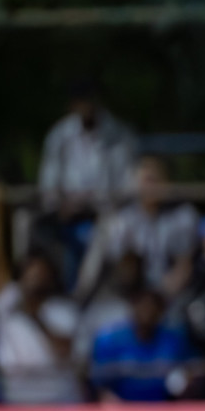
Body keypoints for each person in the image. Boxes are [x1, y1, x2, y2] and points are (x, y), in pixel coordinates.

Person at [36, 79, 138, 282]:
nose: (87, 106)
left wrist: (100, 203)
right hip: (67, 213)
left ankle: (82, 294)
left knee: (108, 233)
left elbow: (129, 185)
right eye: (81, 101)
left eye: (91, 100)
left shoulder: (121, 135)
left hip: (108, 212)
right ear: (72, 105)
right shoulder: (59, 136)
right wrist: (59, 204)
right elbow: (48, 183)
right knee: (33, 227)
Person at [92, 155, 199, 300]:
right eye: (144, 181)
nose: (149, 188)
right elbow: (119, 269)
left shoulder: (183, 215)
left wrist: (162, 294)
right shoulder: (122, 219)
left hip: (171, 293)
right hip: (131, 294)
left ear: (167, 182)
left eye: (154, 181)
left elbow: (184, 266)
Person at [0, 251, 81, 405]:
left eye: (41, 274)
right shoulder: (7, 312)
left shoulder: (64, 311)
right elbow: (0, 299)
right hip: (19, 403)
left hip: (60, 401)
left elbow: (64, 350)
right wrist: (23, 298)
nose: (36, 279)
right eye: (31, 274)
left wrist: (36, 319)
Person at [89, 288, 192, 402]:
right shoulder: (109, 340)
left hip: (164, 409)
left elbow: (190, 373)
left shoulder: (174, 340)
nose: (147, 312)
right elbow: (99, 386)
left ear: (161, 311)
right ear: (132, 307)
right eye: (142, 306)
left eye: (152, 307)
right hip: (121, 409)